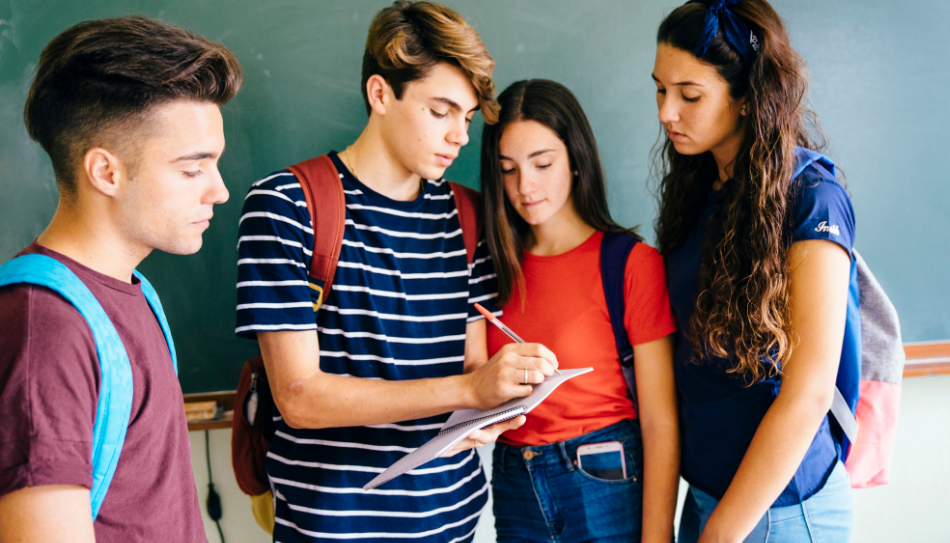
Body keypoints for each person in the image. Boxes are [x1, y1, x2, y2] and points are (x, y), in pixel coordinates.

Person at [234, 2, 558, 541]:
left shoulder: (470, 215)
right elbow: (299, 397)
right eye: (440, 111)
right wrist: (468, 389)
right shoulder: (288, 204)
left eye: (468, 117)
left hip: (452, 522)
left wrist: (496, 401)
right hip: (331, 526)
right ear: (381, 93)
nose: (459, 135)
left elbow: (473, 368)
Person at [0, 16, 242, 543]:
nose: (219, 191)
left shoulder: (132, 291)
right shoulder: (48, 330)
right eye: (191, 169)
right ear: (105, 172)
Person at [652, 1, 857, 541]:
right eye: (660, 89)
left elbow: (809, 392)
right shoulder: (698, 188)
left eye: (689, 95)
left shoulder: (812, 197)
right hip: (708, 496)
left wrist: (722, 531)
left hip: (779, 509)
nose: (666, 112)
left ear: (745, 97)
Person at [480, 79, 680, 542]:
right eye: (507, 169)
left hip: (604, 476)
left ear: (575, 159)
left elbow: (660, 421)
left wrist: (657, 537)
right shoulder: (489, 268)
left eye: (542, 164)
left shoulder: (630, 264)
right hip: (514, 480)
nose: (524, 186)